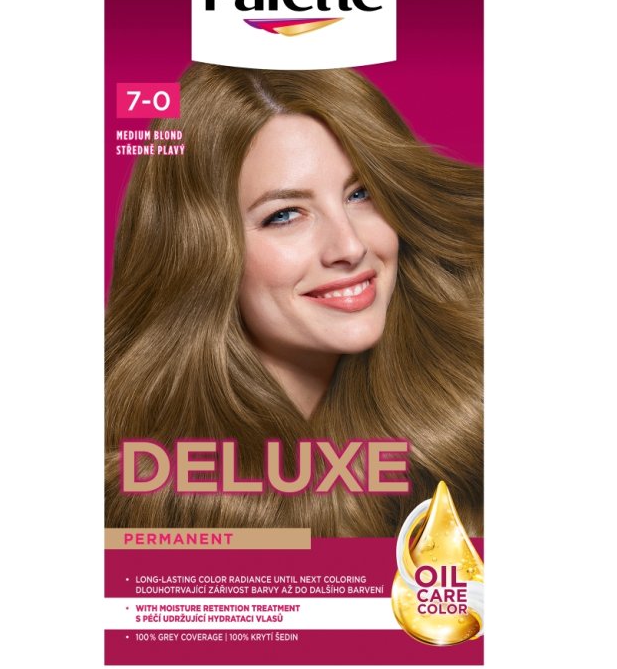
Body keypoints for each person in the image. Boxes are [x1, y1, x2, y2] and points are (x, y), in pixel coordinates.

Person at [105, 63, 483, 537]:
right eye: (285, 215)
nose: (350, 247)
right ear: (197, 252)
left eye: (361, 193)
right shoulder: (132, 484)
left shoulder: (474, 416)